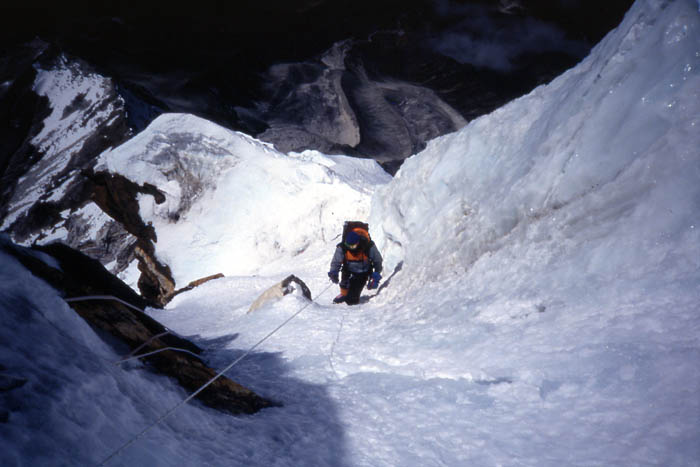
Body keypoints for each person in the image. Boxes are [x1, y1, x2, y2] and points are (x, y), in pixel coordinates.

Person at [328, 226, 383, 305]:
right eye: (348, 245)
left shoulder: (368, 246)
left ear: (358, 242)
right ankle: (344, 294)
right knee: (344, 285)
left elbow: (378, 261)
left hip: (362, 273)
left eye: (352, 246)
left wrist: (376, 275)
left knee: (351, 301)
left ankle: (351, 295)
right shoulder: (342, 247)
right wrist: (333, 272)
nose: (350, 248)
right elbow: (336, 262)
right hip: (348, 270)